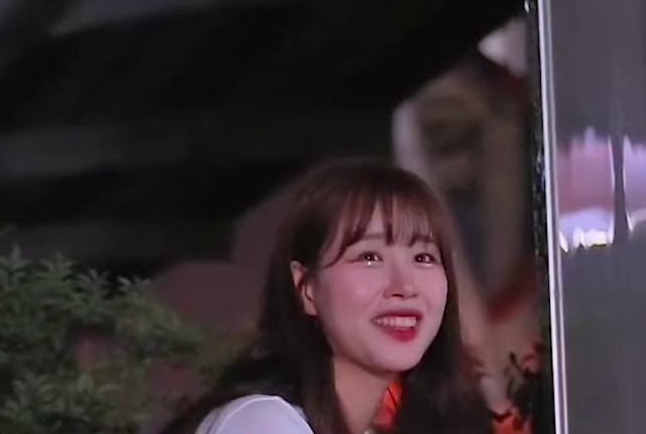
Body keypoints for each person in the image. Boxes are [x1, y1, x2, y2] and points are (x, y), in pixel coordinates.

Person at [162, 158, 491, 434]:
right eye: (369, 257)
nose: (405, 286)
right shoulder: (264, 423)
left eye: (423, 257)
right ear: (307, 288)